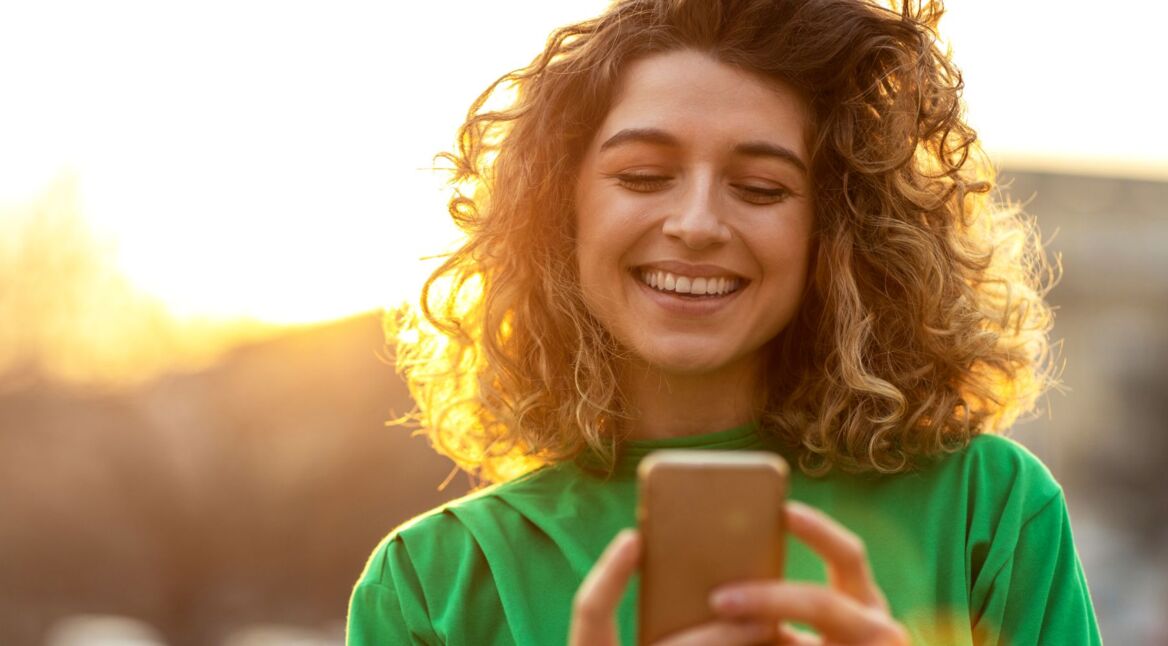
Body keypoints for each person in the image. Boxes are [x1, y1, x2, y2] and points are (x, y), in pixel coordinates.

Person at [348, 0, 1101, 643]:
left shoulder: (985, 508)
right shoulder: (432, 582)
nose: (698, 223)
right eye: (644, 175)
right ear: (558, 210)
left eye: (762, 188)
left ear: (834, 230)